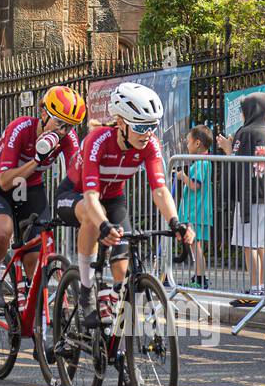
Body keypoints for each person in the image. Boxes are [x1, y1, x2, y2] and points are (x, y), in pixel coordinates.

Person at [54, 82, 192, 326]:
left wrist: (176, 223)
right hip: (76, 195)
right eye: (140, 126)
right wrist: (104, 226)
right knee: (92, 216)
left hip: (113, 200)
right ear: (121, 124)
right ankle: (86, 292)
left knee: (122, 268)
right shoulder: (97, 141)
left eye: (152, 126)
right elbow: (91, 197)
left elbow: (160, 190)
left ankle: (114, 323)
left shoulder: (150, 145)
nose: (148, 133)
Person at [0, 86, 84, 310]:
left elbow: (77, 172)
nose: (64, 131)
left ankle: (37, 322)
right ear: (43, 113)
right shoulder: (21, 128)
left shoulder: (67, 137)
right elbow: (6, 180)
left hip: (30, 188)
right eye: (59, 123)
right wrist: (37, 160)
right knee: (2, 232)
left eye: (70, 126)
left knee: (35, 258)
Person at [217, 91, 265, 300]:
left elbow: (236, 161)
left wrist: (227, 148)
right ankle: (263, 288)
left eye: (243, 111)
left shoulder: (246, 132)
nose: (242, 116)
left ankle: (254, 290)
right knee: (262, 244)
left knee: (248, 244)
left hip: (247, 196)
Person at [174, 125, 215, 288]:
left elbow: (195, 185)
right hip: (197, 212)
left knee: (195, 245)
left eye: (189, 142)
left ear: (197, 143)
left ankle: (200, 278)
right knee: (195, 245)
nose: (187, 145)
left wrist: (182, 176)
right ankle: (199, 277)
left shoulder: (201, 164)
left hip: (196, 212)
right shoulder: (202, 162)